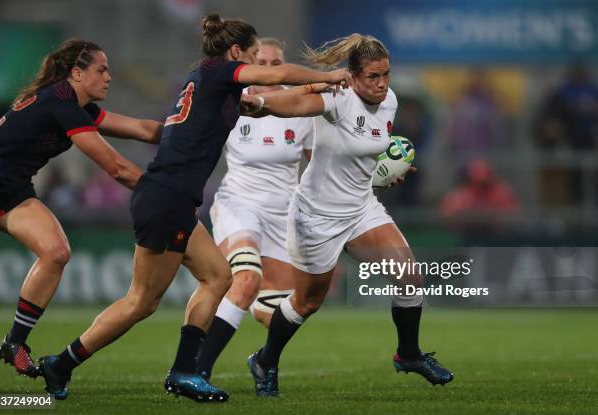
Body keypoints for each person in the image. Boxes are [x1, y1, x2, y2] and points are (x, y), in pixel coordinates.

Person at [38, 13, 351, 403]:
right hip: (167, 195)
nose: (258, 65)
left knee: (219, 278)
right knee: (141, 302)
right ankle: (63, 363)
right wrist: (331, 74)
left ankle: (186, 370)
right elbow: (276, 76)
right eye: (254, 56)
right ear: (236, 53)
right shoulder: (220, 73)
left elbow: (273, 98)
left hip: (177, 198)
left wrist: (321, 85)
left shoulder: (203, 80)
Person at [240, 33, 454, 397]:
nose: (382, 83)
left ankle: (409, 353)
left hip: (360, 208)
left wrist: (385, 173)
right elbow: (294, 104)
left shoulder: (390, 102)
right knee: (307, 302)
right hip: (316, 217)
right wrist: (259, 103)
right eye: (372, 76)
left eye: (385, 74)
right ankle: (264, 359)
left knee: (409, 277)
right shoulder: (336, 98)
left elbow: (364, 152)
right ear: (352, 77)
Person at [0, 39, 160, 379]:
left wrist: (191, 128)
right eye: (101, 69)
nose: (109, 77)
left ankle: (14, 343)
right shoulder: (60, 102)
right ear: (77, 73)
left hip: (10, 190)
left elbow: (141, 129)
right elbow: (117, 168)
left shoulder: (75, 105)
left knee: (56, 252)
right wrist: (161, 192)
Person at [195, 38, 314, 380]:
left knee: (286, 310)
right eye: (262, 61)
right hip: (239, 203)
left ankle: (262, 360)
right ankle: (198, 370)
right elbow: (197, 146)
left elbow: (319, 168)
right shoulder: (233, 103)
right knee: (246, 279)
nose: (270, 69)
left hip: (283, 214)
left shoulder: (303, 109)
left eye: (277, 63)